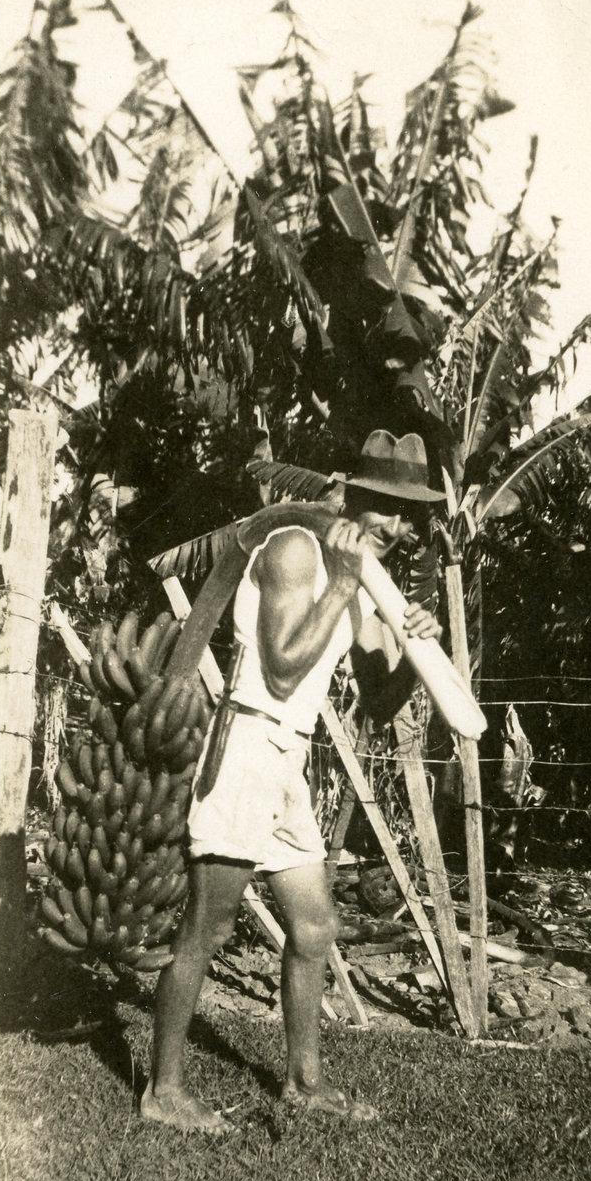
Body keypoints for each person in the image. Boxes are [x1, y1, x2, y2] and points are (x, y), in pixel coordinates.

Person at [142, 431, 446, 1133]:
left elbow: (378, 697)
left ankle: (304, 1083)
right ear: (352, 495)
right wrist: (341, 581)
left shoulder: (360, 576)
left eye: (410, 517)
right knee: (206, 928)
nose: (400, 529)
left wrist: (417, 646)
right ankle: (162, 1092)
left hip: (288, 758)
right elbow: (279, 669)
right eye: (390, 510)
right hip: (247, 741)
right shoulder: (296, 550)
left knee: (314, 927)